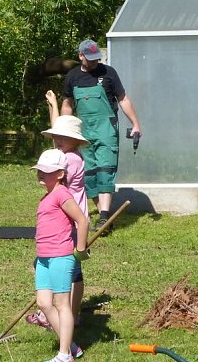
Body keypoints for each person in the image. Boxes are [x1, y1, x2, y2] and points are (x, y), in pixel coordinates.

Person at [60, 39, 141, 234]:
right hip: (83, 133)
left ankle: (103, 217)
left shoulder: (109, 73)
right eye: (90, 58)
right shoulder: (72, 77)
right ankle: (106, 217)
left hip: (106, 130)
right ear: (81, 56)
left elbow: (123, 99)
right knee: (89, 175)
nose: (94, 61)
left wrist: (135, 124)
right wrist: (63, 129)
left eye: (96, 58)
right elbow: (68, 104)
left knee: (105, 171)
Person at [27, 96, 89, 335]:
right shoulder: (70, 154)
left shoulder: (69, 160)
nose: (57, 141)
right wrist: (53, 107)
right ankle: (68, 314)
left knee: (67, 269)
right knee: (73, 271)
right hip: (67, 217)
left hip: (69, 219)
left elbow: (55, 166)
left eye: (63, 137)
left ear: (76, 140)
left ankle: (64, 314)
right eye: (56, 137)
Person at [32, 148, 89, 362]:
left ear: (60, 174)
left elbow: (82, 220)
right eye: (39, 170)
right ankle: (71, 345)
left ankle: (64, 354)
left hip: (60, 255)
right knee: (43, 303)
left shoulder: (62, 194)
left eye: (47, 171)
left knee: (62, 303)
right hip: (44, 257)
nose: (41, 174)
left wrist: (80, 249)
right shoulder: (47, 196)